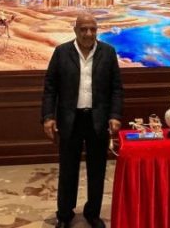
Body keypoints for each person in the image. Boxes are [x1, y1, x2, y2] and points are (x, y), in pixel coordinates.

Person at [41, 12, 124, 228]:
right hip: (70, 120)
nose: (88, 33)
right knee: (68, 170)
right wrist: (48, 117)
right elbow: (50, 88)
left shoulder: (108, 52)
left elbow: (116, 88)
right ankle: (64, 214)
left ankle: (93, 213)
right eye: (84, 29)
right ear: (75, 30)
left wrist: (115, 115)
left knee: (97, 170)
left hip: (98, 120)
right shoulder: (61, 52)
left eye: (93, 29)